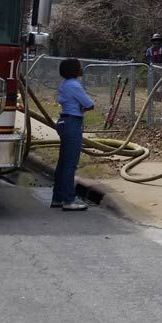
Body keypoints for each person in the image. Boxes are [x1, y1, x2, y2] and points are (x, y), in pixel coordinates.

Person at [52, 58, 94, 211]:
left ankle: (57, 197)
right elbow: (89, 104)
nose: (82, 68)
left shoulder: (65, 84)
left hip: (64, 121)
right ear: (75, 70)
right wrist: (85, 108)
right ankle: (69, 200)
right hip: (72, 123)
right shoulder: (75, 85)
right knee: (70, 164)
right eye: (79, 67)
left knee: (63, 163)